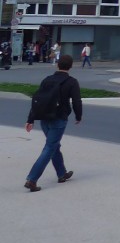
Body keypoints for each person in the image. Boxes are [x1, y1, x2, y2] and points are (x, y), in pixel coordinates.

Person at [24, 54, 83, 192]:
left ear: (57, 64)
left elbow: (38, 100)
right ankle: (32, 179)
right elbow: (76, 101)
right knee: (50, 147)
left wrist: (30, 119)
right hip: (59, 119)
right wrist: (78, 116)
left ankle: (62, 174)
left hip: (44, 118)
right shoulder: (72, 82)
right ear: (71, 66)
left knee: (54, 145)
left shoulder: (47, 80)